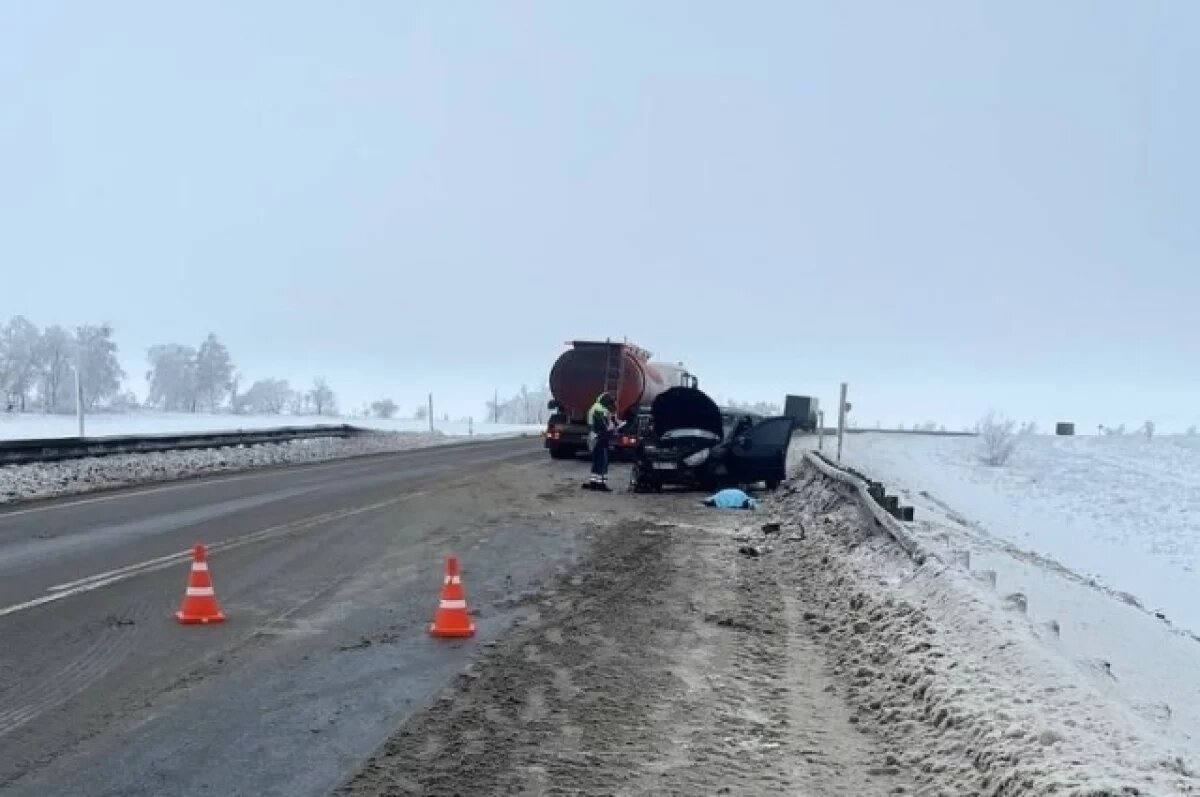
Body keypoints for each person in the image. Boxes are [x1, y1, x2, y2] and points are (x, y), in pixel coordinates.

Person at [585, 392, 618, 491]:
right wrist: (613, 427)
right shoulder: (600, 410)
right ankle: (601, 484)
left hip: (595, 438)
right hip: (601, 438)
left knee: (597, 461)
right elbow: (603, 426)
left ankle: (594, 482)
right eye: (611, 403)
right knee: (603, 461)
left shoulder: (595, 407)